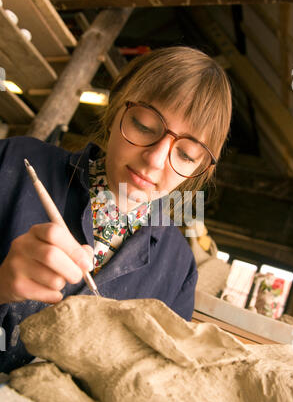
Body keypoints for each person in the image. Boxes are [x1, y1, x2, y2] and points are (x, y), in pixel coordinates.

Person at [0, 46, 232, 373]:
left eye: (186, 155)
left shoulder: (179, 269)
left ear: (201, 169)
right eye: (144, 125)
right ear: (115, 111)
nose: (154, 160)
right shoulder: (12, 164)